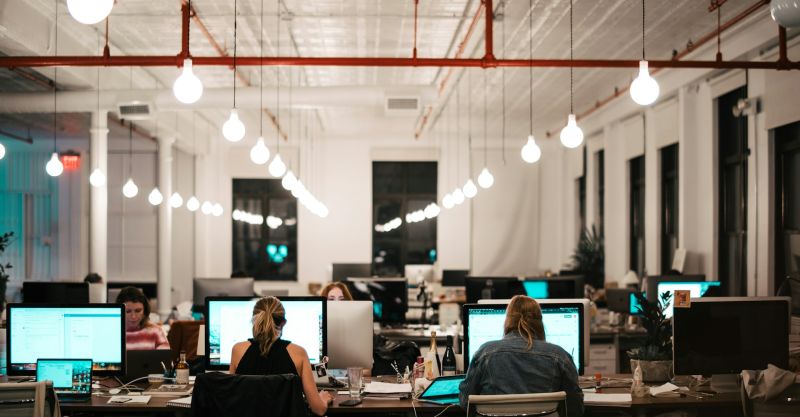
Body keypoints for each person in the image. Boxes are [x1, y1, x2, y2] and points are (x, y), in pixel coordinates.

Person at [459, 295, 583, 417]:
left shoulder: (485, 353)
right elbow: (575, 408)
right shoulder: (560, 356)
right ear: (539, 322)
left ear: (508, 320)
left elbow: (466, 402)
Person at [229, 296, 331, 416]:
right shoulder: (298, 353)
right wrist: (323, 399)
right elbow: (318, 409)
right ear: (283, 322)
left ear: (254, 320)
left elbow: (231, 400)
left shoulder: (238, 350)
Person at [115, 286, 170, 350]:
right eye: (128, 311)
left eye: (138, 311)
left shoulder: (156, 331)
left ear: (144, 311)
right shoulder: (110, 333)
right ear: (119, 311)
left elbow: (164, 358)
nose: (133, 316)